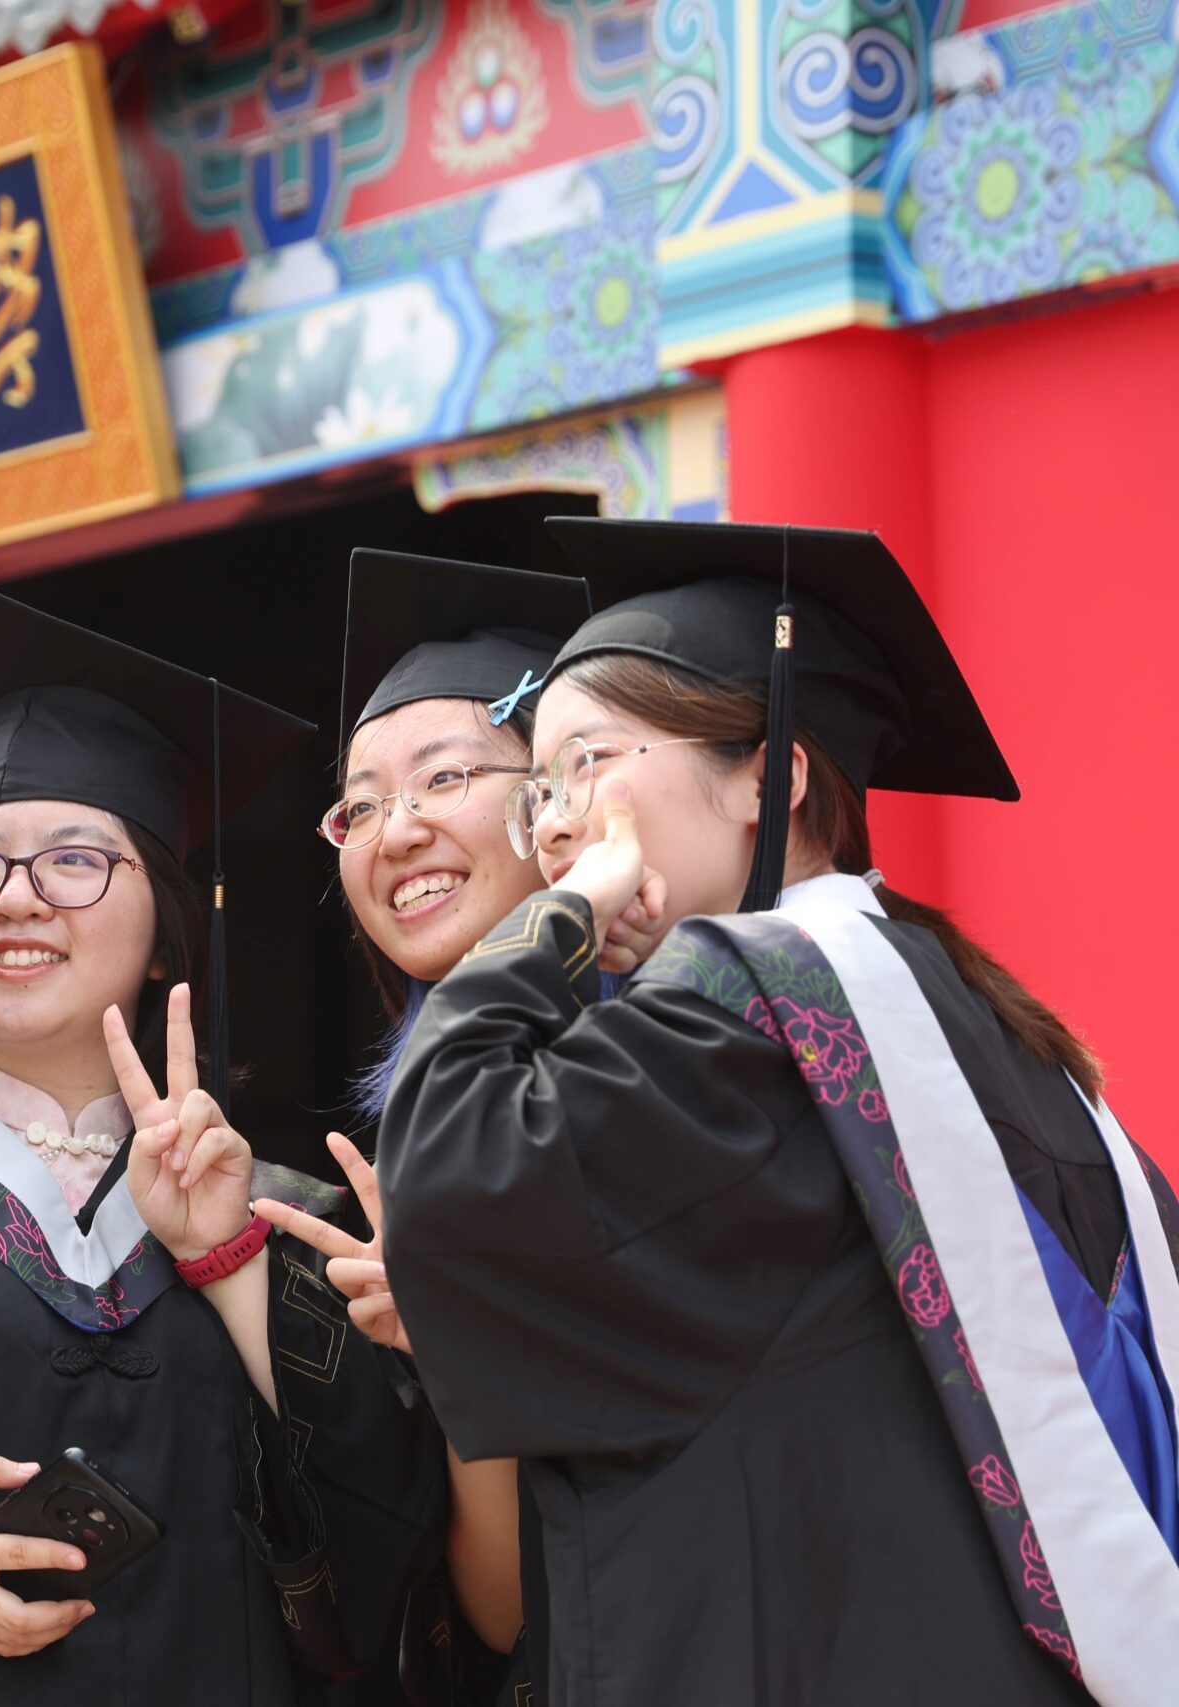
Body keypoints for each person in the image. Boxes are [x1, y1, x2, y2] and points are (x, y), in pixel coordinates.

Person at [378, 518, 1179, 1706]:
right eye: (538, 787)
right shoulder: (1007, 1039)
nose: (552, 825)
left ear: (774, 772)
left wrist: (552, 922)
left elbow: (451, 1170)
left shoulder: (741, 1015)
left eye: (590, 764)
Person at [0, 592, 450, 1703]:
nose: (17, 898)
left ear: (164, 938)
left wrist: (229, 1262)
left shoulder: (295, 1221)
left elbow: (396, 1555)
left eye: (77, 862)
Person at [260, 549, 590, 1705]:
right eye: (358, 806)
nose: (392, 833)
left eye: (444, 778)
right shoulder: (425, 1137)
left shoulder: (664, 1063)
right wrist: (457, 1351)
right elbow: (505, 1615)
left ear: (557, 795)